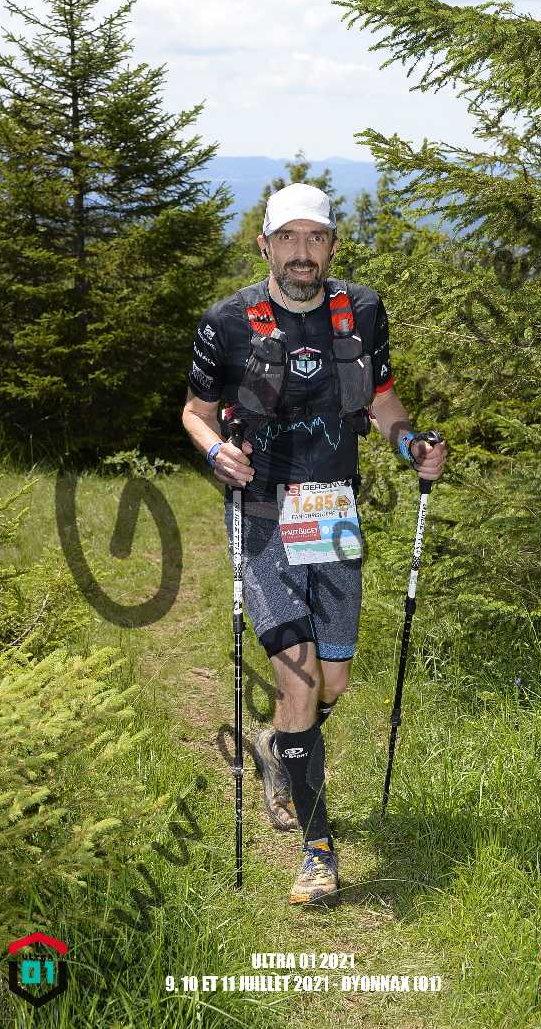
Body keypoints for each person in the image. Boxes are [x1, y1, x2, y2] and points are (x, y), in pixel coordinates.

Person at [181, 182, 446, 906]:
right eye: (288, 238)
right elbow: (196, 412)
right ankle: (317, 850)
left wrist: (410, 445)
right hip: (261, 512)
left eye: (316, 237)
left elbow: (381, 400)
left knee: (332, 682)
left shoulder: (361, 310)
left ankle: (280, 749)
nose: (303, 252)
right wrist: (216, 452)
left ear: (331, 245)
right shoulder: (226, 321)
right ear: (264, 245)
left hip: (331, 510)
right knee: (297, 680)